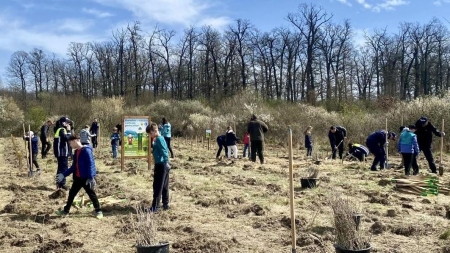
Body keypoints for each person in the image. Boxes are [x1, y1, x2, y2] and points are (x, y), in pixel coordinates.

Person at [55, 135, 103, 219]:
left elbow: (91, 164)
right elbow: (74, 166)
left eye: (70, 143)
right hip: (77, 178)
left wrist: (91, 177)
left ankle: (98, 211)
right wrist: (64, 174)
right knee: (71, 194)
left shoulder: (86, 151)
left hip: (86, 179)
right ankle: (66, 211)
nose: (70, 146)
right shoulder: (76, 152)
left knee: (92, 194)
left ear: (75, 141)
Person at [145, 122, 170, 212]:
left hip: (161, 165)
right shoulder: (158, 139)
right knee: (164, 185)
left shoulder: (159, 139)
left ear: (155, 131)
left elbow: (164, 151)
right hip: (162, 164)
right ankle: (165, 204)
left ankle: (155, 207)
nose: (150, 135)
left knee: (157, 186)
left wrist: (166, 162)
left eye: (150, 134)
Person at [54, 117, 73, 190]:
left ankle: (59, 183)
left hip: (62, 152)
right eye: (67, 122)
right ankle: (61, 184)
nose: (68, 124)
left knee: (60, 168)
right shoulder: (61, 130)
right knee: (63, 168)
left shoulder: (60, 129)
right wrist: (69, 131)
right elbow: (66, 138)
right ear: (63, 123)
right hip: (62, 152)